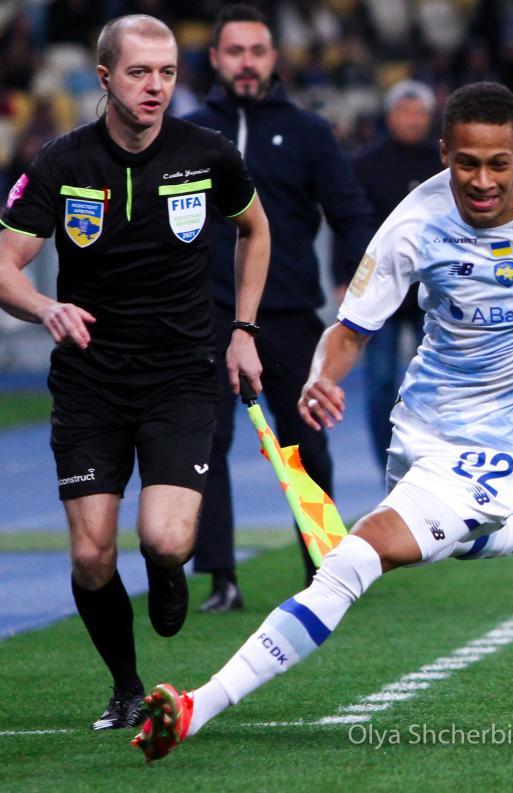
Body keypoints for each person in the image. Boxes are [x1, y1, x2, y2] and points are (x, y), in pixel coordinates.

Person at [132, 81, 513, 762]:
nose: (482, 181)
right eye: (466, 163)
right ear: (444, 153)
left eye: (498, 163)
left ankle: (197, 706)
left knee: (353, 559)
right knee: (448, 536)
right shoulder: (413, 225)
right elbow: (351, 329)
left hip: (506, 441)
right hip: (426, 420)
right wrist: (320, 376)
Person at [0, 15, 268, 730]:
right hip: (90, 383)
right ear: (105, 77)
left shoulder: (208, 153)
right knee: (91, 554)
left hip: (181, 376)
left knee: (165, 539)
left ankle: (168, 567)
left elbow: (255, 229)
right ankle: (125, 687)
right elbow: (5, 264)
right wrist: (46, 308)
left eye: (168, 72)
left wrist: (243, 330)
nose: (156, 86)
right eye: (140, 72)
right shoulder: (62, 162)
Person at [184, 4, 374, 611]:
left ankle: (325, 566)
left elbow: (351, 213)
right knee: (203, 444)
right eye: (235, 51)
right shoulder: (187, 135)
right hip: (207, 315)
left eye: (257, 51)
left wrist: (356, 283)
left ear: (274, 58)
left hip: (290, 313)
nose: (247, 62)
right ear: (216, 59)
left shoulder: (309, 132)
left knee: (306, 444)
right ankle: (221, 578)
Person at [335, 79, 442, 476]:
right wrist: (343, 276)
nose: (413, 120)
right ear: (390, 115)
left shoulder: (443, 163)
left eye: (420, 113)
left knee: (437, 376)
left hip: (434, 286)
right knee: (380, 380)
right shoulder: (364, 164)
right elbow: (347, 222)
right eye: (405, 112)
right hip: (382, 287)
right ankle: (388, 460)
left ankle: (432, 458)